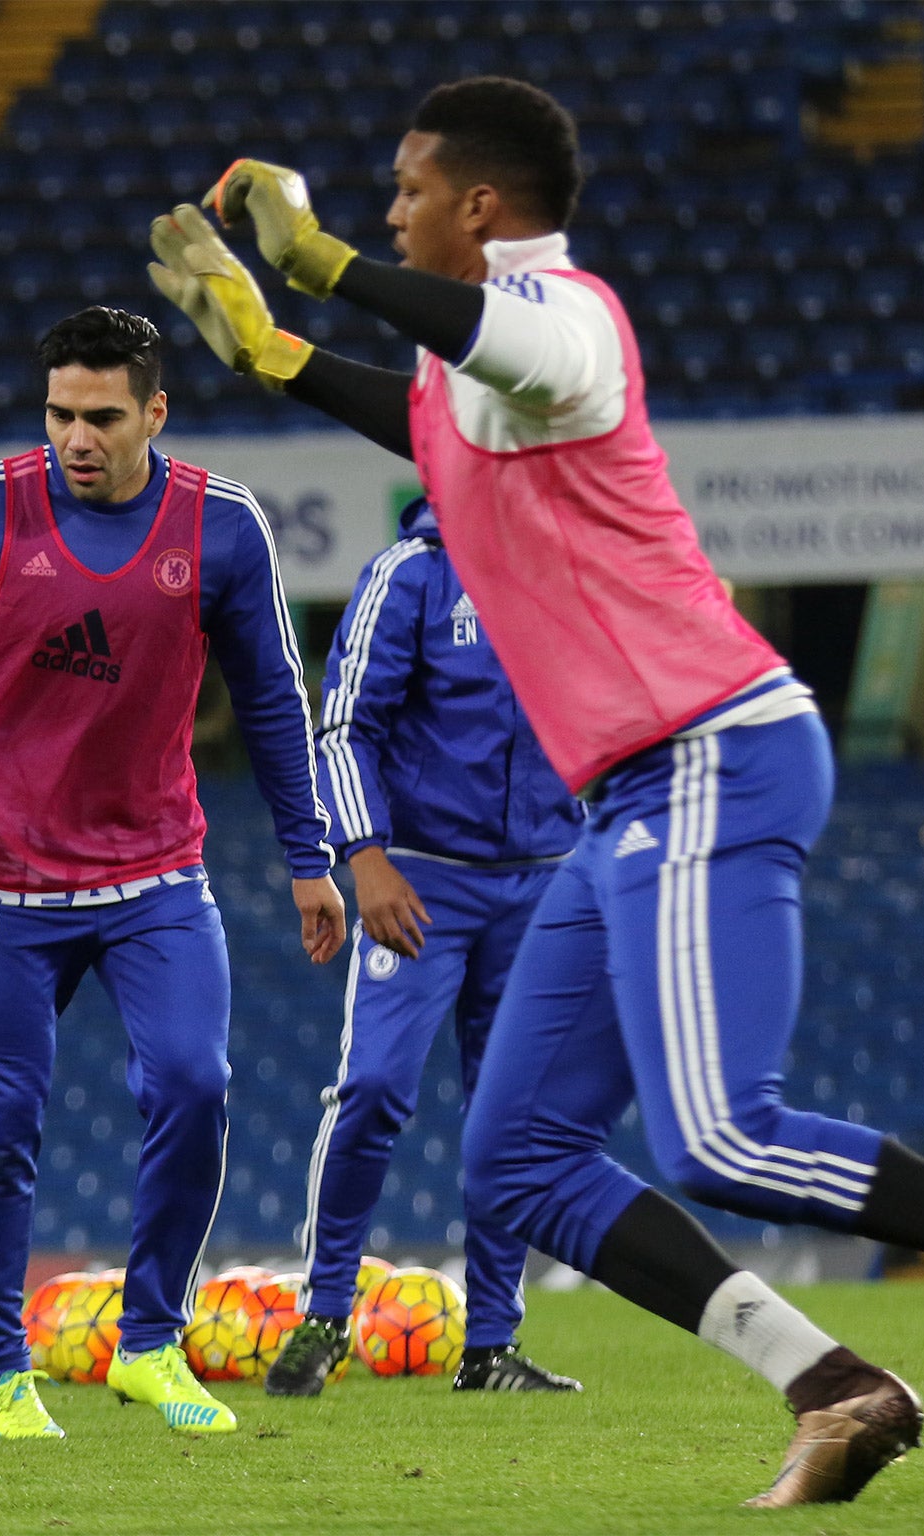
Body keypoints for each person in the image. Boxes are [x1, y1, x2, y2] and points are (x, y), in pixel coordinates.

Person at [146, 78, 924, 1506]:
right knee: (519, 1164)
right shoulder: (474, 382)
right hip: (619, 804)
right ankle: (837, 1386)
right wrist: (273, 349)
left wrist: (323, 264)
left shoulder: (570, 318)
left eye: (405, 188)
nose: (388, 209)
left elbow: (513, 354)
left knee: (724, 1135)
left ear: (479, 206)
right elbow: (434, 409)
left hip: (711, 753)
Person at [0, 306, 346, 1440]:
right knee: (5, 1124)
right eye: (57, 414)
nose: (74, 437)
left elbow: (276, 703)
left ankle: (148, 1344)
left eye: (99, 416)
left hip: (153, 875)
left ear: (154, 412)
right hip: (1, 879)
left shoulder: (222, 527)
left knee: (193, 1085)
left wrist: (309, 856)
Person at [266, 495, 581, 1398]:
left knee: (512, 1114)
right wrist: (363, 859)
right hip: (421, 884)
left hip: (546, 881)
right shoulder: (412, 572)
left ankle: (492, 1343)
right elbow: (344, 724)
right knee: (373, 1088)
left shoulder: (578, 568)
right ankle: (324, 1316)